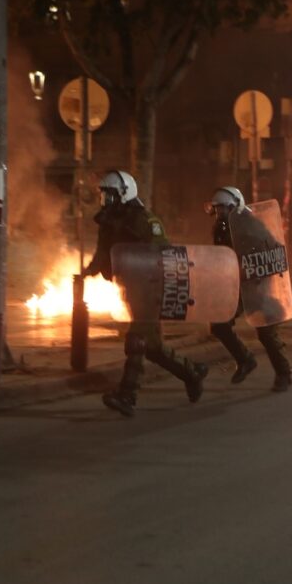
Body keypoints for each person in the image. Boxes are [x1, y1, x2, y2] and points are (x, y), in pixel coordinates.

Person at [83, 170, 209, 417]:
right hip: (131, 289)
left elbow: (164, 254)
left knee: (136, 340)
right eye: (104, 195)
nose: (106, 200)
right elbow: (102, 253)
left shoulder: (145, 220)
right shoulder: (108, 221)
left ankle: (127, 395)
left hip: (152, 286)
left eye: (110, 194)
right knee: (151, 347)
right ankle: (191, 373)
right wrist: (87, 271)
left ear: (124, 193)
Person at [206, 186, 292, 392]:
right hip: (236, 285)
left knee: (266, 332)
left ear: (235, 208)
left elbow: (272, 251)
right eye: (217, 210)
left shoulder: (254, 226)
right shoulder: (220, 229)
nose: (220, 215)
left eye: (223, 210)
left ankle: (284, 373)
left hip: (258, 285)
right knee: (219, 325)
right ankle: (245, 359)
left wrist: (255, 272)